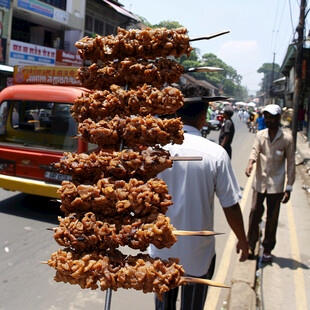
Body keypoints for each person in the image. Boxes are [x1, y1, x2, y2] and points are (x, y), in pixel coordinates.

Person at [149, 98, 248, 310]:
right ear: (203, 117)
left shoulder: (154, 151)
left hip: (161, 253)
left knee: (162, 306)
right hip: (197, 255)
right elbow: (230, 204)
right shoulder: (215, 154)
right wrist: (243, 240)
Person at [245, 104, 295, 263]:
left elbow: (291, 164)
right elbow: (255, 150)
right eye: (266, 117)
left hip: (276, 185)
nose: (268, 120)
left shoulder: (287, 138)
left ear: (278, 118)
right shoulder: (260, 135)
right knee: (254, 214)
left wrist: (289, 187)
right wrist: (251, 163)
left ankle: (267, 248)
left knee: (272, 218)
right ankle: (251, 244)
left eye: (271, 117)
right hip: (260, 182)